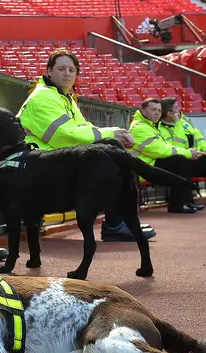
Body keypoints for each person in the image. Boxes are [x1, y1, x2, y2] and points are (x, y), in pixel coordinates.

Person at [17, 49, 155, 242]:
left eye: (71, 70)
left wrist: (115, 131)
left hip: (50, 159)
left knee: (111, 148)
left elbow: (83, 128)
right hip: (37, 166)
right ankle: (116, 224)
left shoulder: (63, 97)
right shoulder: (43, 97)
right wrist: (111, 133)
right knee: (110, 148)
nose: (67, 73)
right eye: (61, 69)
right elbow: (66, 137)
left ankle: (120, 221)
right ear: (49, 71)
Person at [129, 98, 206, 213]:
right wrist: (188, 153)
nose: (157, 113)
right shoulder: (141, 127)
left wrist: (205, 149)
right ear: (143, 111)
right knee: (180, 161)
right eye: (153, 110)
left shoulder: (152, 125)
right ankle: (179, 203)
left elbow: (198, 137)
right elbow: (161, 150)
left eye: (158, 110)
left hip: (180, 159)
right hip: (145, 169)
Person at [159, 98, 206, 205]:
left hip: (196, 160)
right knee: (182, 162)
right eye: (176, 108)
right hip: (180, 164)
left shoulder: (184, 121)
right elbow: (173, 148)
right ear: (169, 113)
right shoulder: (160, 128)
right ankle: (186, 199)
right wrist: (177, 124)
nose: (179, 109)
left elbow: (199, 137)